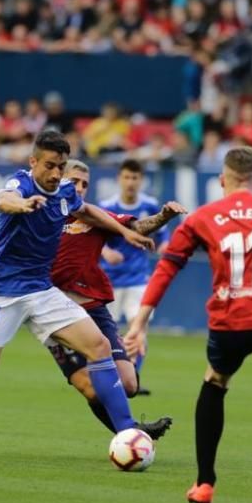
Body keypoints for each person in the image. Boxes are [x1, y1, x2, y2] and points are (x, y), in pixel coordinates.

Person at [0, 130, 156, 438]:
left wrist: (124, 231)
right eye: (49, 165)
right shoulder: (20, 185)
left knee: (99, 346)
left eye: (60, 166)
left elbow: (86, 210)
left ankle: (128, 432)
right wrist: (20, 206)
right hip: (2, 293)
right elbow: (3, 199)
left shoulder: (64, 191)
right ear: (33, 161)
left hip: (42, 291)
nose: (56, 173)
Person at [123, 147, 252, 503]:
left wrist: (139, 323)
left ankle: (204, 483)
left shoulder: (203, 216)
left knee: (215, 382)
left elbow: (167, 267)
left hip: (229, 321)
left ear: (222, 180)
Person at [0, 159, 186, 437]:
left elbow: (136, 227)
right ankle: (129, 434)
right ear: (60, 182)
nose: (80, 188)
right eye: (75, 182)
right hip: (53, 307)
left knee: (129, 385)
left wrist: (164, 216)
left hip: (91, 304)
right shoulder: (44, 217)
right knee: (88, 386)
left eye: (85, 184)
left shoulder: (94, 217)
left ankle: (128, 431)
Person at [99, 158, 169, 394]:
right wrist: (106, 252)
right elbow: (93, 238)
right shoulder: (106, 205)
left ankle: (133, 380)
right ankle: (110, 379)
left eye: (135, 178)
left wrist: (163, 247)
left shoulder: (149, 205)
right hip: (109, 280)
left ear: (141, 181)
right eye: (127, 177)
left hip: (138, 280)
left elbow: (163, 235)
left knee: (138, 330)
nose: (130, 182)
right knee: (105, 335)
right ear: (119, 179)